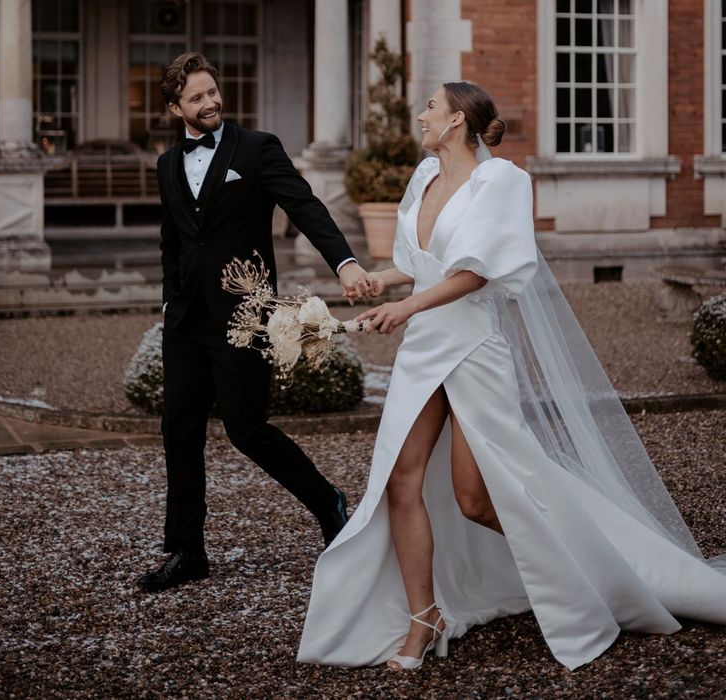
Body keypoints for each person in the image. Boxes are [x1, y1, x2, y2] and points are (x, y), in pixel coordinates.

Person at [298, 81, 726, 670]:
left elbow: (476, 274)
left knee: (478, 498)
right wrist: (382, 284)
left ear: (455, 121)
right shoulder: (422, 178)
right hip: (424, 347)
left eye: (430, 105)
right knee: (400, 481)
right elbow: (418, 264)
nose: (420, 113)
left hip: (472, 346)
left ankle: (595, 571)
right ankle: (424, 618)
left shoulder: (500, 181)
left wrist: (406, 308)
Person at [137, 52, 371, 593]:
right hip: (186, 322)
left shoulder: (257, 148)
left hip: (244, 315)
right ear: (176, 108)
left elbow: (306, 206)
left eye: (212, 91)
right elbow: (173, 239)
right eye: (196, 97)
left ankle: (325, 500)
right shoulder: (167, 165)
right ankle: (187, 551)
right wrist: (172, 301)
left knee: (246, 428)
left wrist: (346, 262)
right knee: (179, 429)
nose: (211, 101)